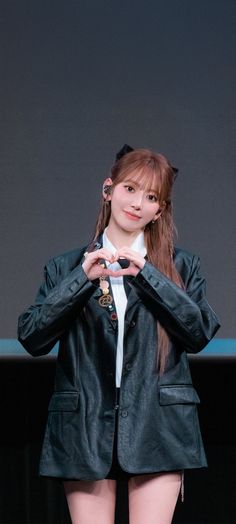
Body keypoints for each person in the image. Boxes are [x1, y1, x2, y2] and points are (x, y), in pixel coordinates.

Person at [17, 145, 220, 524]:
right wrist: (82, 278)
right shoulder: (66, 266)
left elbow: (199, 333)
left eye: (151, 197)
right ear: (108, 189)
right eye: (130, 189)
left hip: (158, 424)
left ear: (160, 210)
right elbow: (32, 337)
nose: (137, 203)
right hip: (85, 425)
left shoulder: (181, 266)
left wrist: (148, 275)